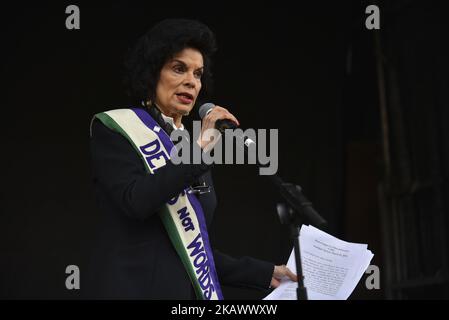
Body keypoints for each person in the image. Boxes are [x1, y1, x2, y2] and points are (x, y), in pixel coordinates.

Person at [86, 18, 297, 299]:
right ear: (151, 74)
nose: (191, 81)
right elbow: (136, 201)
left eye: (198, 74)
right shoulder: (116, 129)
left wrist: (265, 273)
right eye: (178, 68)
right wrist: (199, 150)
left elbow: (191, 251)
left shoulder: (191, 145)